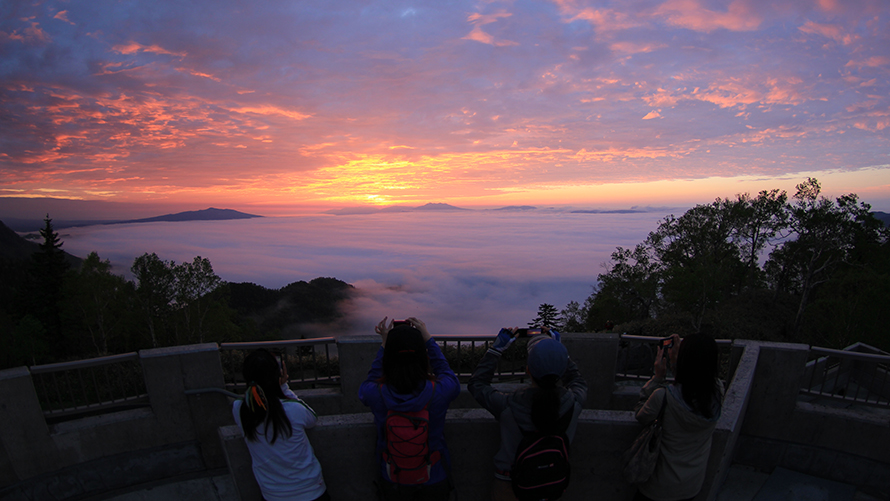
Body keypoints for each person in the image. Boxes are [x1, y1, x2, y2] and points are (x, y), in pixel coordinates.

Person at [468, 327, 588, 501]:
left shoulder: (508, 405)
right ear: (562, 371)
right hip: (551, 482)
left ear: (528, 370)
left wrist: (496, 349)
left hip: (509, 484)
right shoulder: (574, 402)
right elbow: (577, 381)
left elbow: (477, 385)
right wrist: (558, 351)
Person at [359, 317, 461, 500]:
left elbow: (368, 383)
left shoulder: (376, 394)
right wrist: (428, 338)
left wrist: (384, 344)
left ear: (388, 359)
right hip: (434, 478)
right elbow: (447, 374)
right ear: (423, 356)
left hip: (392, 479)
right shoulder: (440, 392)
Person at [632, 333, 724, 501]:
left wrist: (657, 379)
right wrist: (677, 365)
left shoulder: (663, 397)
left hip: (658, 487)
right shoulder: (717, 392)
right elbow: (693, 383)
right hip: (691, 485)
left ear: (683, 360)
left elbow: (640, 414)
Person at [232, 349, 330, 501]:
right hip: (310, 491)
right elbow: (312, 418)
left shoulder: (239, 409)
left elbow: (255, 400)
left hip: (272, 494)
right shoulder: (292, 410)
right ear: (278, 374)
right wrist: (284, 388)